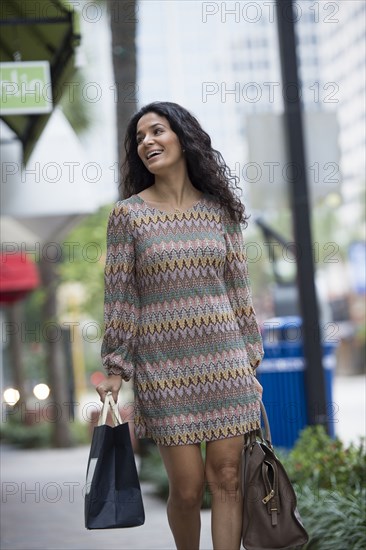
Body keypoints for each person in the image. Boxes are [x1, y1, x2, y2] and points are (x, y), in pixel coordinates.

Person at [96, 101, 264, 550]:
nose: (147, 141)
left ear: (183, 138)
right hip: (163, 371)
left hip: (226, 366)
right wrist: (116, 368)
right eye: (139, 138)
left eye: (157, 131)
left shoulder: (219, 212)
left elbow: (239, 293)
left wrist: (251, 360)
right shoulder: (128, 216)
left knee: (227, 478)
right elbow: (120, 297)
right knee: (188, 490)